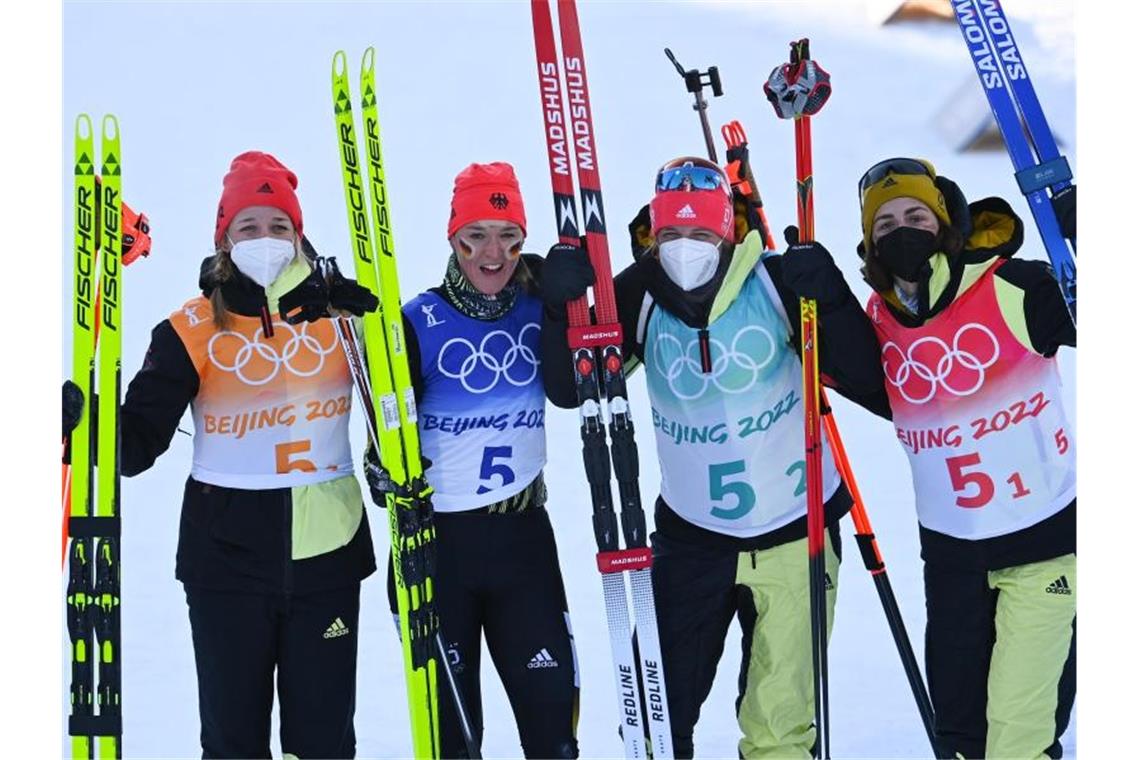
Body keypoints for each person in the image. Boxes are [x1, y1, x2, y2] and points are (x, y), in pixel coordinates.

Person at [540, 156, 884, 758]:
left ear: (727, 232)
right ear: (654, 234)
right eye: (672, 234)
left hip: (795, 534)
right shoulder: (638, 294)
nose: (685, 248)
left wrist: (831, 299)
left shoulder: (774, 283)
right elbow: (574, 391)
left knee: (781, 724)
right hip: (692, 540)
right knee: (657, 715)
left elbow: (874, 386)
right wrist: (557, 309)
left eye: (701, 234)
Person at [62, 151, 380, 758]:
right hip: (225, 569)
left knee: (326, 743)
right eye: (249, 227)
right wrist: (84, 420)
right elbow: (132, 447)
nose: (266, 240)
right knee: (233, 744)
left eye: (279, 226)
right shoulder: (189, 329)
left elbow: (401, 410)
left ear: (300, 234)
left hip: (329, 558)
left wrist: (379, 321)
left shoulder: (340, 315)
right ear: (224, 238)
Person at [780, 157, 1076, 758]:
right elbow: (880, 389)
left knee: (1018, 739)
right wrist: (827, 299)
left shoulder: (1012, 286)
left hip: (1044, 547)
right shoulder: (881, 318)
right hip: (951, 558)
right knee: (961, 735)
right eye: (884, 226)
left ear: (947, 223)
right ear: (870, 244)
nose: (902, 231)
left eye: (916, 215)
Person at [366, 161, 580, 759]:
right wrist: (381, 467)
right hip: (438, 546)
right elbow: (385, 433)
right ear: (453, 238)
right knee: (453, 743)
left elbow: (580, 384)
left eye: (509, 236)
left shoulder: (540, 306)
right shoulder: (417, 321)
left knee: (553, 735)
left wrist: (567, 300)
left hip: (523, 542)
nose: (494, 253)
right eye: (476, 236)